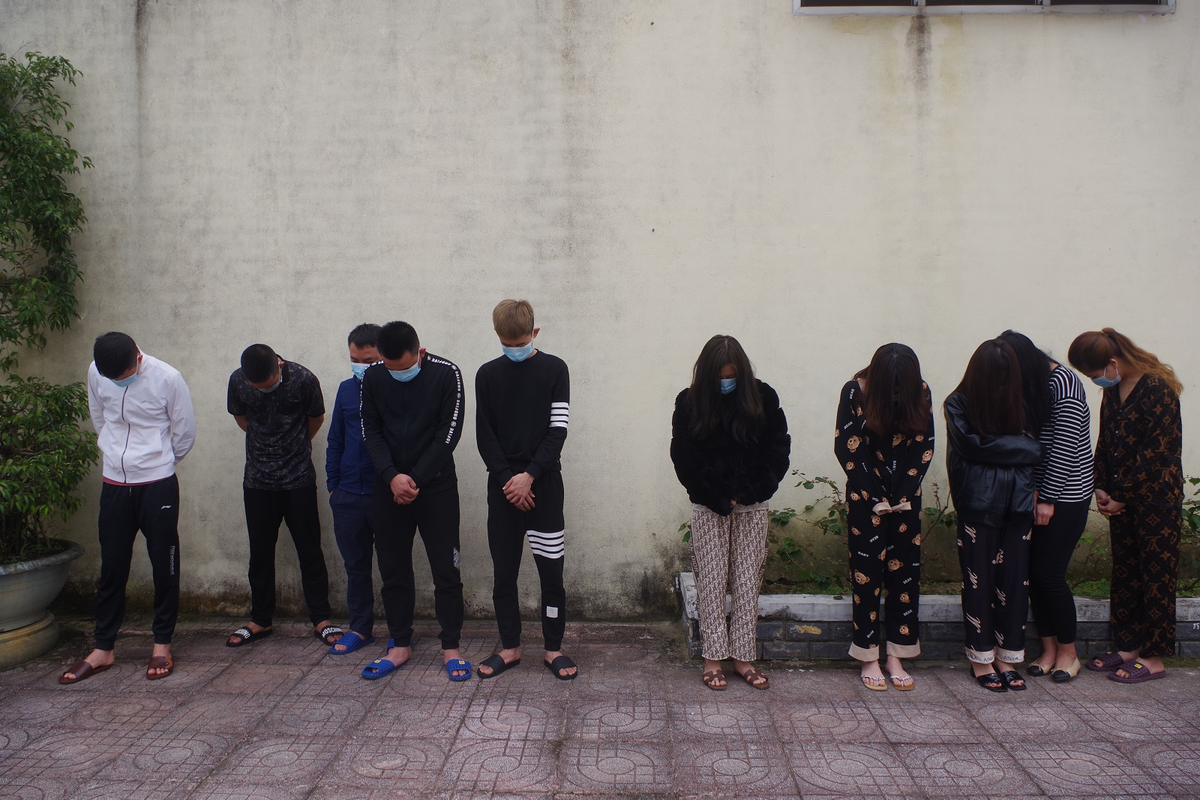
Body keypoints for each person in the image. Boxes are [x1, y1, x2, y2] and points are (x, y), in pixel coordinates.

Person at [60, 332, 196, 684]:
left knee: (164, 563)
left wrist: (157, 462)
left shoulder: (167, 378)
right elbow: (99, 415)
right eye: (114, 379)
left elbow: (184, 432)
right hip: (114, 482)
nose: (119, 383)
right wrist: (114, 452)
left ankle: (162, 644)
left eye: (125, 377)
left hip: (157, 482)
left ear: (137, 357)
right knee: (112, 565)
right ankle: (103, 647)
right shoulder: (97, 370)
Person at [670, 334, 791, 691]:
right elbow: (684, 457)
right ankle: (712, 659)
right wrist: (718, 494)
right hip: (708, 506)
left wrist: (750, 491)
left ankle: (743, 658)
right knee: (709, 581)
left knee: (748, 581)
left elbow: (777, 450)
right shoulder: (689, 401)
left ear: (742, 372)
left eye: (732, 375)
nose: (726, 381)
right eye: (720, 376)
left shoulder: (763, 397)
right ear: (708, 373)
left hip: (753, 505)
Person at [1068, 328, 1183, 684]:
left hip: (1156, 500)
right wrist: (1101, 486)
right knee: (1126, 574)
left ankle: (1153, 657)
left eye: (1095, 373)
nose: (1096, 380)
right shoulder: (1113, 390)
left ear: (1113, 362)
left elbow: (1157, 451)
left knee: (1156, 576)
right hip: (1120, 498)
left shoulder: (1158, 388)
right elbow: (1105, 441)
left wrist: (1124, 494)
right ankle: (1129, 646)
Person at [360, 321, 470, 681]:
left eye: (405, 368)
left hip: (435, 488)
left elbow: (448, 434)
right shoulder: (374, 377)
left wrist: (415, 479)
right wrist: (392, 476)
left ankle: (451, 646)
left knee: (446, 570)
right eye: (390, 368)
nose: (397, 374)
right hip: (388, 488)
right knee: (392, 570)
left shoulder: (447, 374)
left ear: (420, 352)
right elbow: (371, 431)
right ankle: (400, 643)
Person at [475, 300, 576, 680]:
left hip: (544, 486)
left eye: (519, 343)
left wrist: (529, 476)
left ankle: (553, 648)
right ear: (497, 336)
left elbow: (558, 430)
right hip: (503, 490)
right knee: (504, 574)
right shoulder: (487, 374)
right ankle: (509, 646)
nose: (513, 349)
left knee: (551, 573)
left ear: (534, 333)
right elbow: (484, 435)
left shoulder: (555, 369)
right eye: (507, 343)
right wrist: (509, 480)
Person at [226, 344, 341, 648]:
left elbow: (316, 418)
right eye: (257, 387)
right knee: (260, 553)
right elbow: (241, 417)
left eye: (268, 384)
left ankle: (321, 618)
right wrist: (265, 441)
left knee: (310, 551)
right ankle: (260, 619)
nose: (263, 390)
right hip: (257, 481)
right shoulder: (237, 381)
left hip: (298, 479)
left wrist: (293, 444)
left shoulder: (303, 379)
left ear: (279, 365)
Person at [944, 338, 1042, 693]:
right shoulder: (958, 404)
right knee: (978, 582)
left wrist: (994, 448)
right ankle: (981, 659)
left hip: (1018, 506)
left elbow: (1035, 449)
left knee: (1015, 583)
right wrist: (1019, 448)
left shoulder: (1022, 404)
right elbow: (971, 445)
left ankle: (1007, 657)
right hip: (978, 505)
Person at [835, 344, 934, 692]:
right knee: (866, 578)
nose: (895, 392)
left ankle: (897, 655)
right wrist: (875, 497)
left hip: (907, 499)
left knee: (905, 576)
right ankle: (868, 656)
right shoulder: (855, 392)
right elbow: (847, 446)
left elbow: (924, 445)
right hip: (865, 499)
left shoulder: (921, 391)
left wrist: (903, 496)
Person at [998, 331, 1093, 684]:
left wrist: (1049, 498)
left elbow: (1066, 447)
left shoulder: (1064, 383)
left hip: (1066, 496)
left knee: (1050, 575)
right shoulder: (1035, 385)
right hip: (1038, 494)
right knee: (1034, 575)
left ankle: (1069, 653)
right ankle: (1049, 649)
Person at [325, 324, 382, 655]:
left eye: (368, 360)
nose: (360, 366)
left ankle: (400, 633)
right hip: (347, 496)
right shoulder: (346, 390)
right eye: (354, 360)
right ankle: (360, 629)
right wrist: (333, 486)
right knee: (356, 567)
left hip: (383, 495)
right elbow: (335, 440)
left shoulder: (393, 389)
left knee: (393, 568)